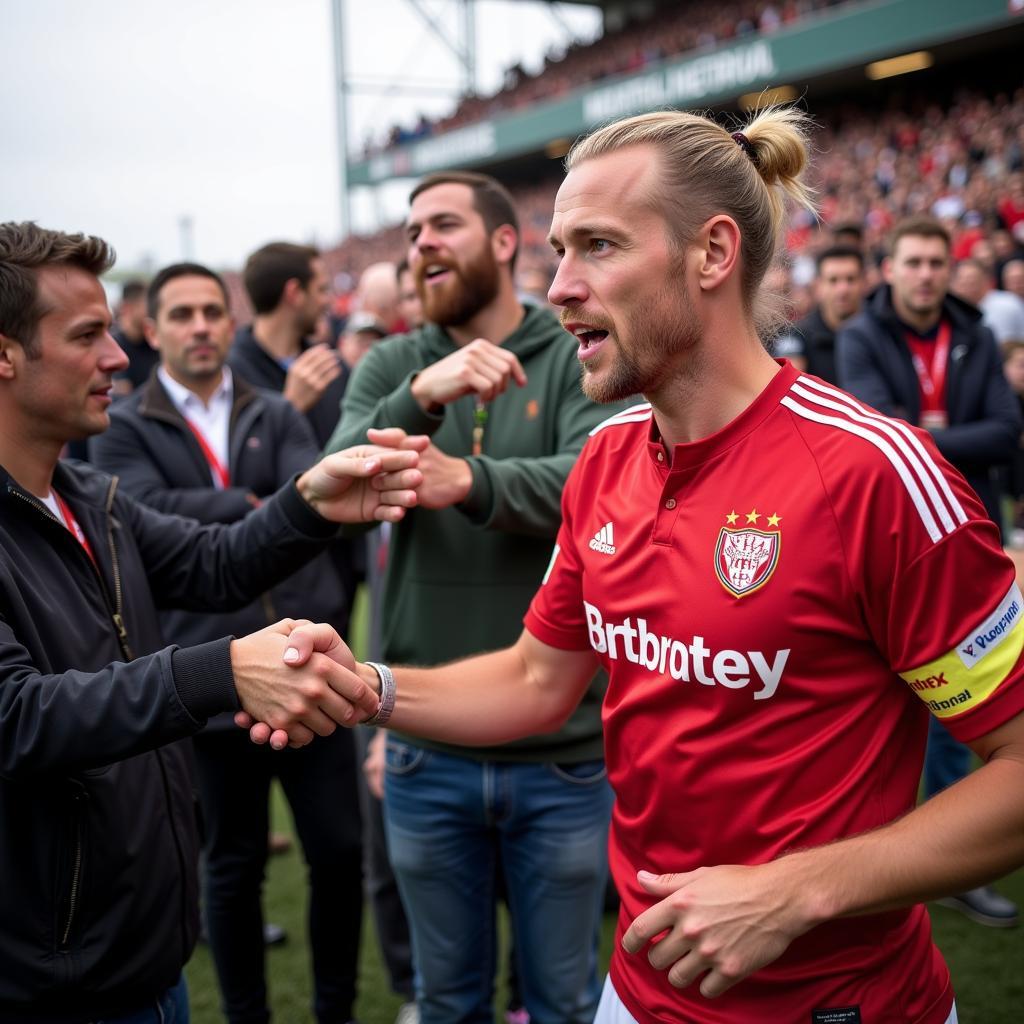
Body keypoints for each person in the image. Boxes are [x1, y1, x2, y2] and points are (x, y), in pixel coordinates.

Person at [253, 107, 1024, 1024]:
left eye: (598, 247)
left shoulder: (874, 473)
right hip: (637, 991)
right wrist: (368, 685)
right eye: (557, 252)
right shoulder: (607, 458)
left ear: (711, 254)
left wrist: (799, 891)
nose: (561, 287)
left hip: (840, 1004)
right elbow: (539, 679)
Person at [0, 221, 422, 1024]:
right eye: (89, 335)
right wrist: (219, 670)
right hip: (54, 980)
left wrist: (307, 503)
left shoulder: (88, 497)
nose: (121, 356)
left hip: (146, 950)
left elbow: (217, 560)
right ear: (5, 353)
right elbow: (17, 716)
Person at [325, 169, 624, 1024]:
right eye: (414, 230)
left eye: (444, 225)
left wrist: (473, 480)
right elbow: (327, 490)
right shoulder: (394, 361)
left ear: (503, 243)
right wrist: (422, 395)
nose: (422, 245)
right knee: (445, 1001)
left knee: (563, 1000)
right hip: (425, 749)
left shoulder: (579, 347)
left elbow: (603, 483)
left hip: (562, 751)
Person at [90, 262, 365, 1024]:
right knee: (232, 866)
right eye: (182, 314)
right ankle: (248, 1016)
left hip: (305, 665)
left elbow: (296, 492)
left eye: (213, 311)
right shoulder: (121, 423)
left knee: (339, 854)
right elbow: (140, 514)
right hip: (210, 682)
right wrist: (255, 502)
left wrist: (240, 506)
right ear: (154, 331)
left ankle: (335, 1010)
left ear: (232, 320)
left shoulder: (274, 410)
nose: (202, 326)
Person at [771, 245, 865, 382]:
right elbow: (790, 388)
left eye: (850, 279)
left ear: (863, 283)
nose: (843, 289)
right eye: (833, 280)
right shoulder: (798, 335)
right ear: (819, 285)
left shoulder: (881, 331)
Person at [951, 257, 1024, 345]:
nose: (966, 284)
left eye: (971, 279)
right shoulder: (953, 310)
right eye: (961, 280)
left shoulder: (1008, 304)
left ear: (986, 281)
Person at [111, 277, 159, 394]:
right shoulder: (113, 346)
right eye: (148, 306)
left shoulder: (155, 346)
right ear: (128, 308)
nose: (154, 312)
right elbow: (122, 391)